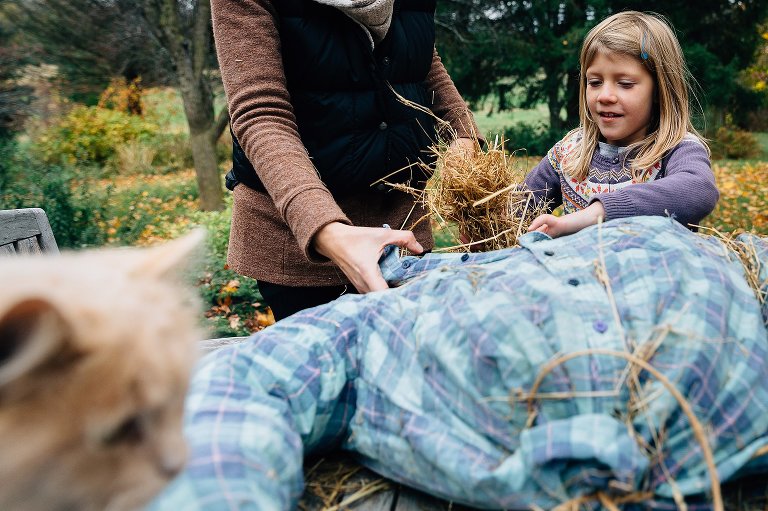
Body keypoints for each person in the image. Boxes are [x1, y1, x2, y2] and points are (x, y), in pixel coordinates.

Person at [211, 0, 479, 320]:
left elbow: (420, 57)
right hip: (302, 246)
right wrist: (326, 229)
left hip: (403, 225)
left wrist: (465, 139)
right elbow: (262, 114)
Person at [524, 11, 719, 238]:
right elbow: (518, 207)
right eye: (595, 82)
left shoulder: (677, 149)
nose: (605, 96)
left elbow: (698, 190)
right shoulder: (568, 154)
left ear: (658, 90)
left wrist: (597, 212)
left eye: (625, 84)